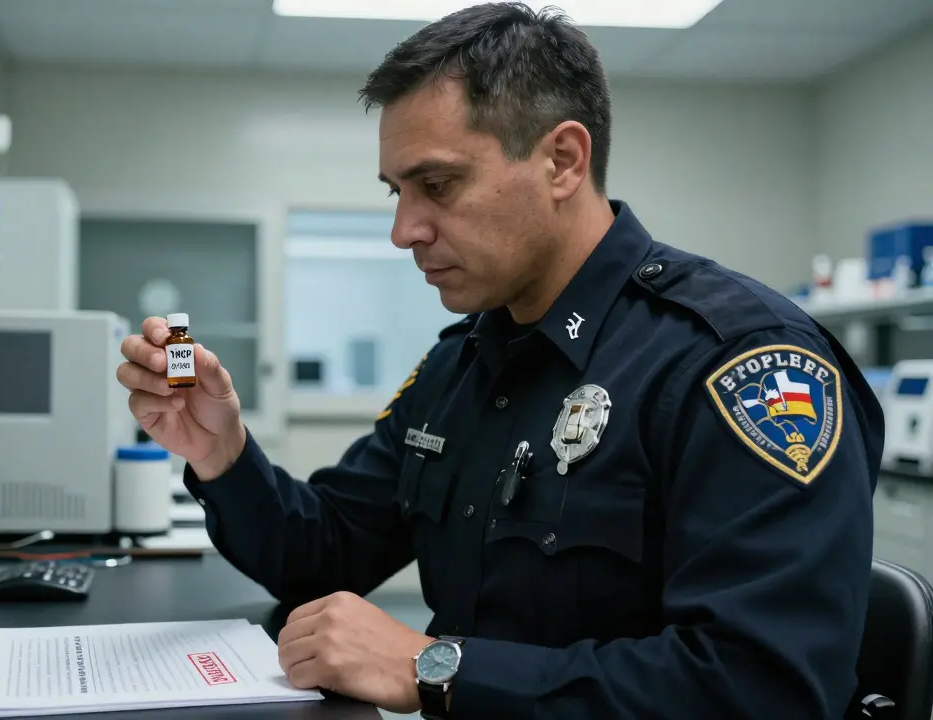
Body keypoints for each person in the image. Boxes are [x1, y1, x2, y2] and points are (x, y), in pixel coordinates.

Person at [116, 3, 884, 718]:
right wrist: (220, 453)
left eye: (438, 185)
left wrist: (435, 667)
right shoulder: (464, 365)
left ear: (562, 161)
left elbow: (765, 688)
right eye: (396, 193)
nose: (404, 231)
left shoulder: (739, 365)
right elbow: (325, 551)